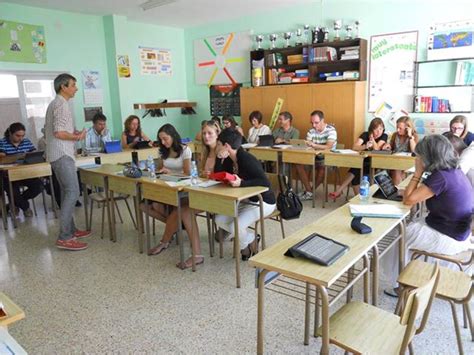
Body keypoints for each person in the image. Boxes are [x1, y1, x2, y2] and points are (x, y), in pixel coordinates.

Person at [383, 135, 473, 296]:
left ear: (429, 156)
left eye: (419, 156)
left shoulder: (441, 177)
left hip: (449, 237)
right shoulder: (453, 171)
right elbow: (421, 195)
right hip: (457, 231)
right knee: (413, 226)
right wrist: (410, 191)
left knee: (403, 236)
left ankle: (404, 284)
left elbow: (409, 201)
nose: (417, 158)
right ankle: (411, 278)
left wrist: (417, 173)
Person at [141, 124, 201, 269]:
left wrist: (171, 173)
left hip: (183, 188)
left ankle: (164, 241)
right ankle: (176, 227)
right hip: (166, 187)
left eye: (165, 139)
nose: (163, 142)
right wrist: (158, 170)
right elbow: (160, 168)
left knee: (177, 211)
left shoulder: (185, 150)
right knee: (145, 205)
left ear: (173, 136)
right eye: (161, 139)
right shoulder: (163, 151)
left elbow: (188, 173)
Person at [214, 128, 276, 260]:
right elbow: (218, 176)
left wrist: (241, 184)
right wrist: (219, 158)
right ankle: (251, 238)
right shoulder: (229, 159)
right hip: (245, 200)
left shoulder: (247, 158)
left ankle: (244, 247)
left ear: (226, 146)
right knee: (219, 219)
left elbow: (265, 182)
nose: (216, 147)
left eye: (218, 144)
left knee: (234, 226)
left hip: (263, 201)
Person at [44, 73, 90, 251]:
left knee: (66, 193)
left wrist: (73, 131)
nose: (76, 88)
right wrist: (77, 136)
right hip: (62, 155)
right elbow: (59, 133)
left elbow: (61, 130)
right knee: (73, 192)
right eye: (73, 85)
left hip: (58, 154)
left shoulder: (57, 103)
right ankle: (65, 237)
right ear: (63, 87)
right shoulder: (61, 105)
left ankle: (70, 229)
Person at [329, 117, 388, 199]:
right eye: (376, 129)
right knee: (356, 169)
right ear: (371, 129)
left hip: (375, 164)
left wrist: (372, 139)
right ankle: (356, 197)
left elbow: (377, 148)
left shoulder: (384, 136)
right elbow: (354, 147)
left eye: (381, 129)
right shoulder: (365, 134)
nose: (379, 132)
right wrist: (364, 146)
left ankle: (340, 191)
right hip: (363, 161)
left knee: (356, 169)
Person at [0, 122, 43, 217]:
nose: (20, 138)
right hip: (8, 176)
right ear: (10, 133)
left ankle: (14, 204)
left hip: (26, 174)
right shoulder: (2, 143)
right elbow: (2, 159)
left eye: (22, 135)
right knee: (13, 192)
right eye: (17, 135)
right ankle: (25, 206)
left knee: (39, 186)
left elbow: (33, 154)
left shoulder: (26, 142)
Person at [295, 110, 337, 201]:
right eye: (312, 123)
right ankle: (309, 191)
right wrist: (308, 146)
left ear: (323, 121)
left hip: (329, 159)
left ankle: (310, 191)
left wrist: (314, 145)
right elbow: (308, 145)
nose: (314, 125)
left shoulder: (331, 130)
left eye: (316, 123)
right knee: (298, 163)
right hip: (314, 157)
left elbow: (329, 146)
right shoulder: (311, 131)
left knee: (322, 167)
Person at [382, 116, 418, 185]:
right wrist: (388, 147)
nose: (398, 130)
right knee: (394, 169)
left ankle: (398, 190)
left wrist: (410, 136)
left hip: (407, 163)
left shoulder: (414, 136)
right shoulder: (395, 135)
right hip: (394, 161)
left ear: (407, 128)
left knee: (398, 170)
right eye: (397, 128)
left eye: (400, 128)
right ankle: (396, 190)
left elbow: (414, 151)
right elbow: (391, 148)